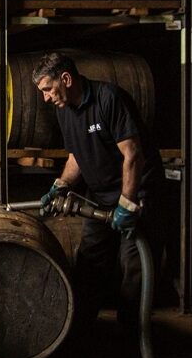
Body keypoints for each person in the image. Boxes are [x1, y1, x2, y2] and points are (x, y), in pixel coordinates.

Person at [31, 51, 165, 331]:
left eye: (47, 89)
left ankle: (133, 338)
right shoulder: (64, 110)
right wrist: (61, 185)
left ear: (65, 79)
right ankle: (78, 329)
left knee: (134, 267)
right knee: (90, 262)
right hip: (100, 195)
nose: (46, 97)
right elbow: (76, 156)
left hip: (136, 194)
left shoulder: (109, 99)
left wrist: (127, 205)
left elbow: (133, 155)